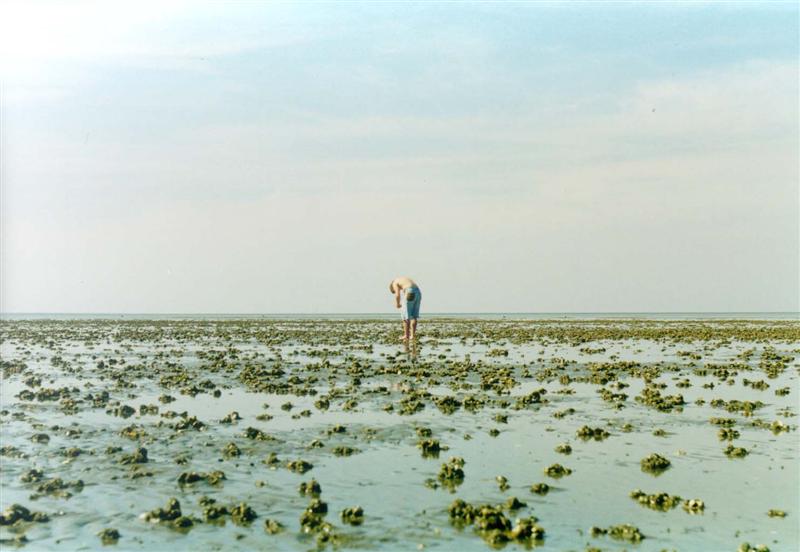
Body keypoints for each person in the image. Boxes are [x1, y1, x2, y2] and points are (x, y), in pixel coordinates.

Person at [389, 276, 421, 341]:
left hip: (410, 291)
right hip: (418, 292)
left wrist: (397, 304)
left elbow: (397, 295)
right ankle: (412, 335)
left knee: (405, 316)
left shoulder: (394, 283)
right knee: (414, 316)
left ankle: (406, 335)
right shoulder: (402, 279)